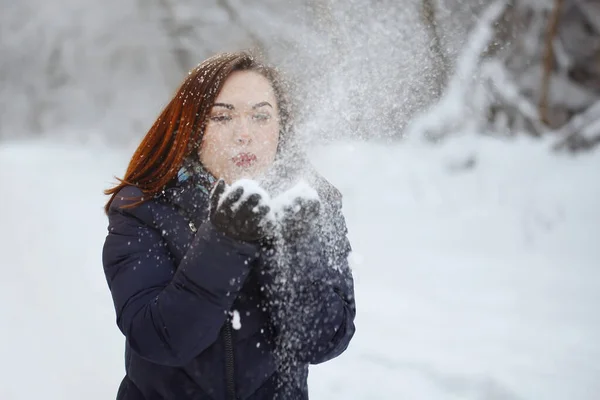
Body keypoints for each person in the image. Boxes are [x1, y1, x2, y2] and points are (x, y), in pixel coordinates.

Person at [102, 51, 356, 400]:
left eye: (261, 116)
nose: (244, 135)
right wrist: (225, 241)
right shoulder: (145, 208)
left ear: (281, 126)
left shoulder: (311, 202)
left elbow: (326, 340)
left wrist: (286, 254)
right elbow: (158, 338)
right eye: (222, 117)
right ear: (192, 128)